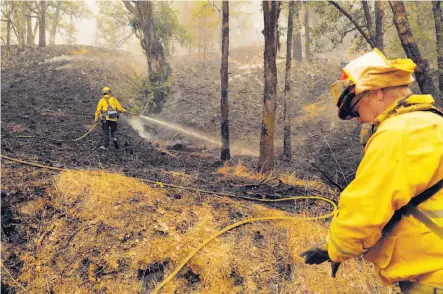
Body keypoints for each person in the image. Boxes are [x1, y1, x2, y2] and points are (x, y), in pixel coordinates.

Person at [300, 49, 443, 294]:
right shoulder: (432, 122)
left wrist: (335, 248)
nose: (358, 119)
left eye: (356, 109)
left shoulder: (399, 133)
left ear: (376, 92)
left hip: (432, 276)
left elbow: (366, 208)